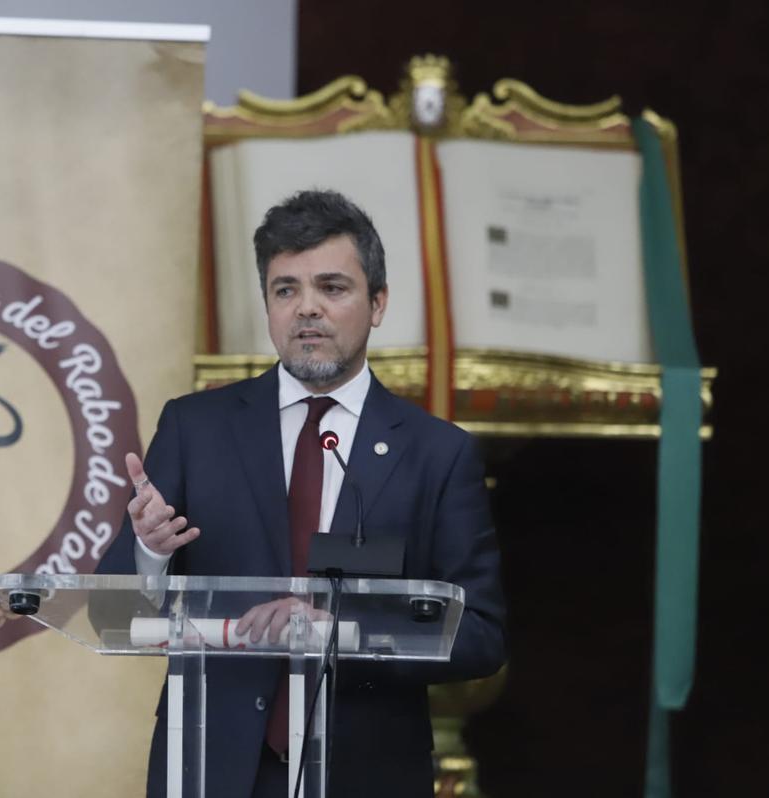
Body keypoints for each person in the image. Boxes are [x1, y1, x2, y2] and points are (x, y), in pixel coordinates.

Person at [96, 189, 506, 797]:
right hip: (215, 766)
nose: (306, 309)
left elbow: (480, 634)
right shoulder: (196, 428)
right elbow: (110, 611)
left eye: (332, 288)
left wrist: (337, 627)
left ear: (378, 304)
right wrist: (151, 556)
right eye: (285, 289)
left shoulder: (436, 454)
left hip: (365, 772)